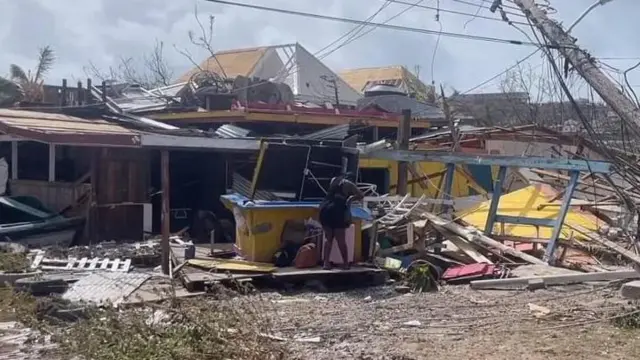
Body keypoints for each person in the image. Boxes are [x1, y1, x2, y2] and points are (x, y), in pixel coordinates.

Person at [318, 175, 364, 270]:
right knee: (341, 240)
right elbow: (361, 195)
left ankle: (326, 264)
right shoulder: (350, 185)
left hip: (325, 209)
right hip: (337, 211)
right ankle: (346, 263)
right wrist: (350, 199)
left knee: (328, 239)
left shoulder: (333, 180)